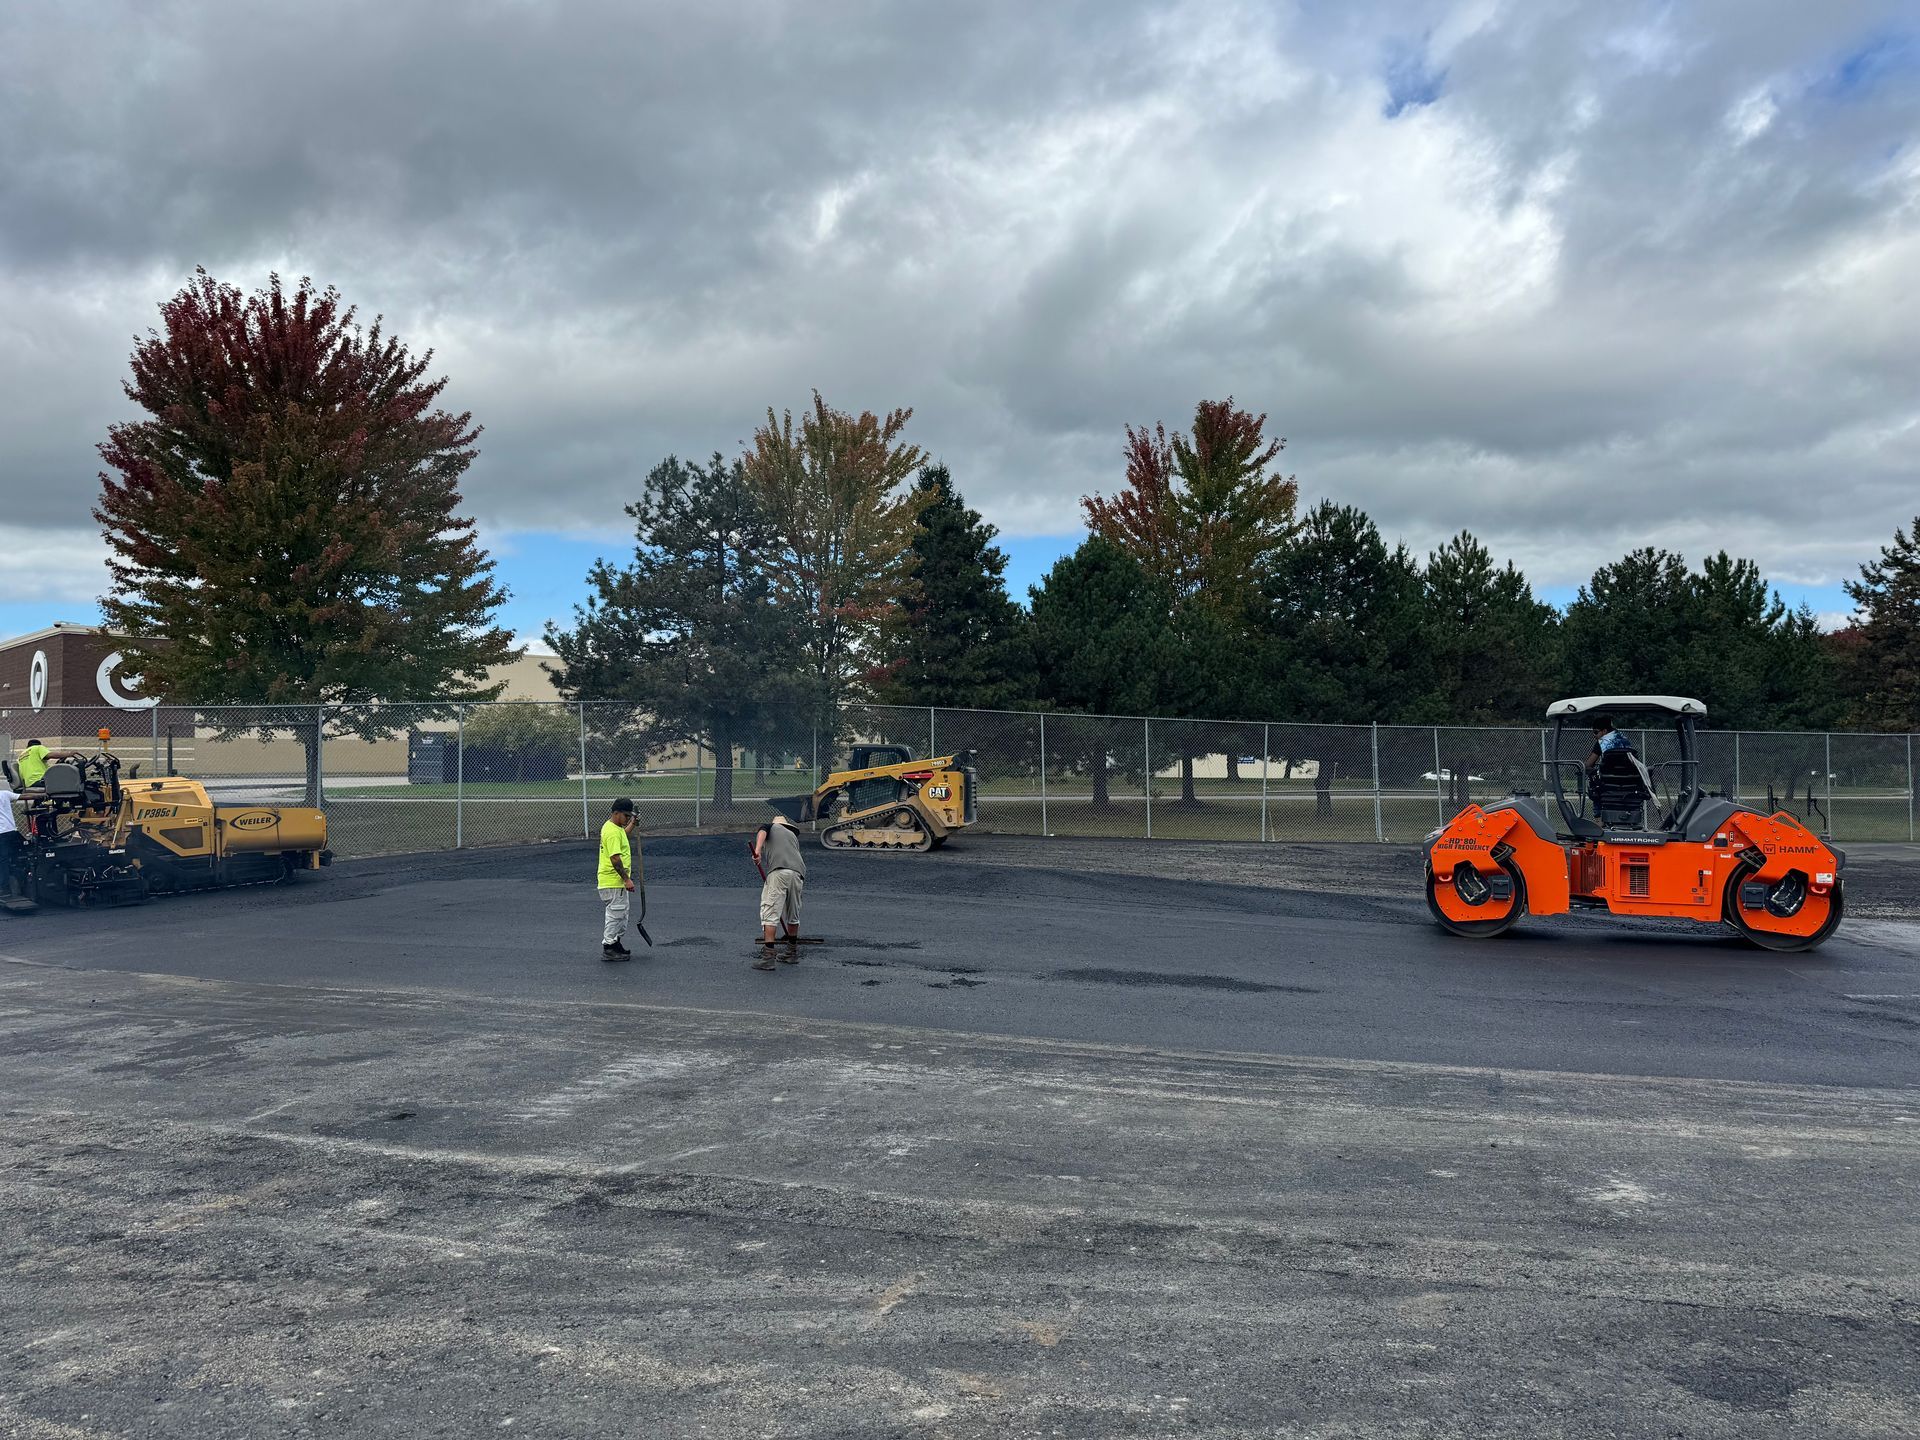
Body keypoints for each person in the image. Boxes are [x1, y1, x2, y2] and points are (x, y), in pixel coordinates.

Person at [751, 810, 807, 972]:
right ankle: (791, 952)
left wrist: (758, 851)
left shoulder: (771, 827)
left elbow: (762, 832)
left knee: (770, 912)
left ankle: (768, 957)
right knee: (793, 914)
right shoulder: (792, 836)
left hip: (779, 872)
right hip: (797, 874)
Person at [597, 798, 639, 961]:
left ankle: (615, 944)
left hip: (616, 882)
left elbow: (623, 835)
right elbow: (615, 859)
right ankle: (608, 948)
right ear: (616, 813)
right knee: (615, 915)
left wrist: (633, 823)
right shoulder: (612, 832)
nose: (627, 819)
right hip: (613, 881)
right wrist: (626, 879)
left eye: (630, 816)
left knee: (621, 914)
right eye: (626, 816)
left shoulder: (615, 828)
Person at [0, 777, 21, 896]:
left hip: (1, 833)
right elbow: (22, 796)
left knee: (3, 860)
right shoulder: (5, 794)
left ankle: (4, 887)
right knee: (11, 858)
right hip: (11, 831)